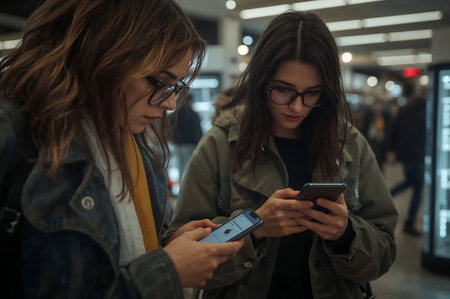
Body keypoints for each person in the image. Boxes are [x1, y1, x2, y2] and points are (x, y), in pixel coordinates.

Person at [0, 0, 243, 298]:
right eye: (159, 82)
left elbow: (113, 252)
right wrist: (165, 271)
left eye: (175, 87)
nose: (169, 103)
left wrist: (167, 247)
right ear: (105, 57)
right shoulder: (15, 134)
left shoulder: (128, 139)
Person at [167, 11, 398, 299]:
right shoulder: (220, 144)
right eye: (284, 90)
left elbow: (385, 251)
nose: (297, 107)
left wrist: (346, 234)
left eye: (312, 93)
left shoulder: (349, 144)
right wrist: (255, 228)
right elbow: (183, 257)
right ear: (261, 81)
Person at [387, 94, 427, 236]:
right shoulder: (426, 112)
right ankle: (409, 223)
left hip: (405, 154)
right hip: (418, 155)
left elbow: (393, 130)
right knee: (417, 186)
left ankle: (386, 195)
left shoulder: (404, 111)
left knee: (411, 182)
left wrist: (392, 150)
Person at [171, 94, 203, 183]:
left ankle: (180, 186)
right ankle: (186, 187)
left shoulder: (175, 114)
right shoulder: (193, 114)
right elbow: (197, 131)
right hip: (189, 145)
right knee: (188, 167)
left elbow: (171, 129)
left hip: (178, 145)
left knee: (180, 167)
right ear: (190, 101)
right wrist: (199, 145)